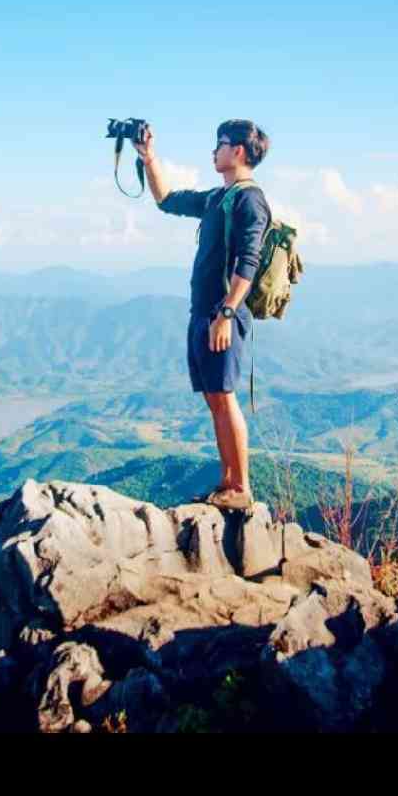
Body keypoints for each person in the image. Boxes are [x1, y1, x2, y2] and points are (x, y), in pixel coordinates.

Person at [133, 120, 271, 511]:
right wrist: (149, 157)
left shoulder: (250, 201)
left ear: (239, 151)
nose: (214, 151)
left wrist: (227, 312)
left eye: (221, 144)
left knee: (224, 398)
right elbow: (167, 200)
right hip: (204, 314)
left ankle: (240, 487)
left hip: (221, 315)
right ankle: (228, 481)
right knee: (215, 398)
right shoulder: (217, 198)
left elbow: (249, 261)